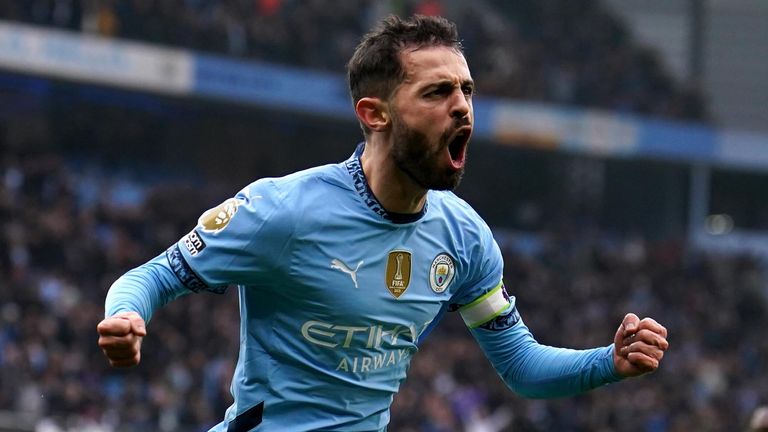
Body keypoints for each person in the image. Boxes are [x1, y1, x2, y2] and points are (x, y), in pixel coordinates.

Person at [97, 14, 669, 431]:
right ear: (375, 114)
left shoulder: (463, 237)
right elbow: (153, 276)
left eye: (467, 91)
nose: (463, 106)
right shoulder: (285, 211)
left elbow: (521, 366)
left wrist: (608, 363)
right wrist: (125, 316)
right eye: (438, 92)